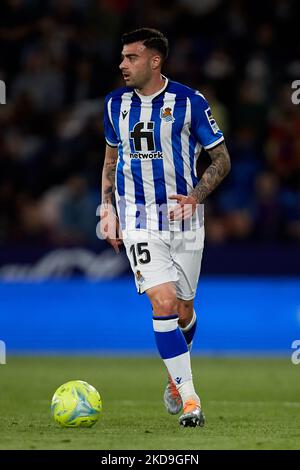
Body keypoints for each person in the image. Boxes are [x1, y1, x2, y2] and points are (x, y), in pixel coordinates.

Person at [100, 28, 231, 427]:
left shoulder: (190, 102)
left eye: (131, 57)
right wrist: (107, 209)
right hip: (139, 219)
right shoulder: (113, 104)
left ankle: (175, 381)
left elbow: (221, 159)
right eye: (122, 57)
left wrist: (195, 197)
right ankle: (191, 400)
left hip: (185, 220)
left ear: (154, 61)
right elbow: (110, 159)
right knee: (163, 303)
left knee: (185, 311)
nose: (123, 64)